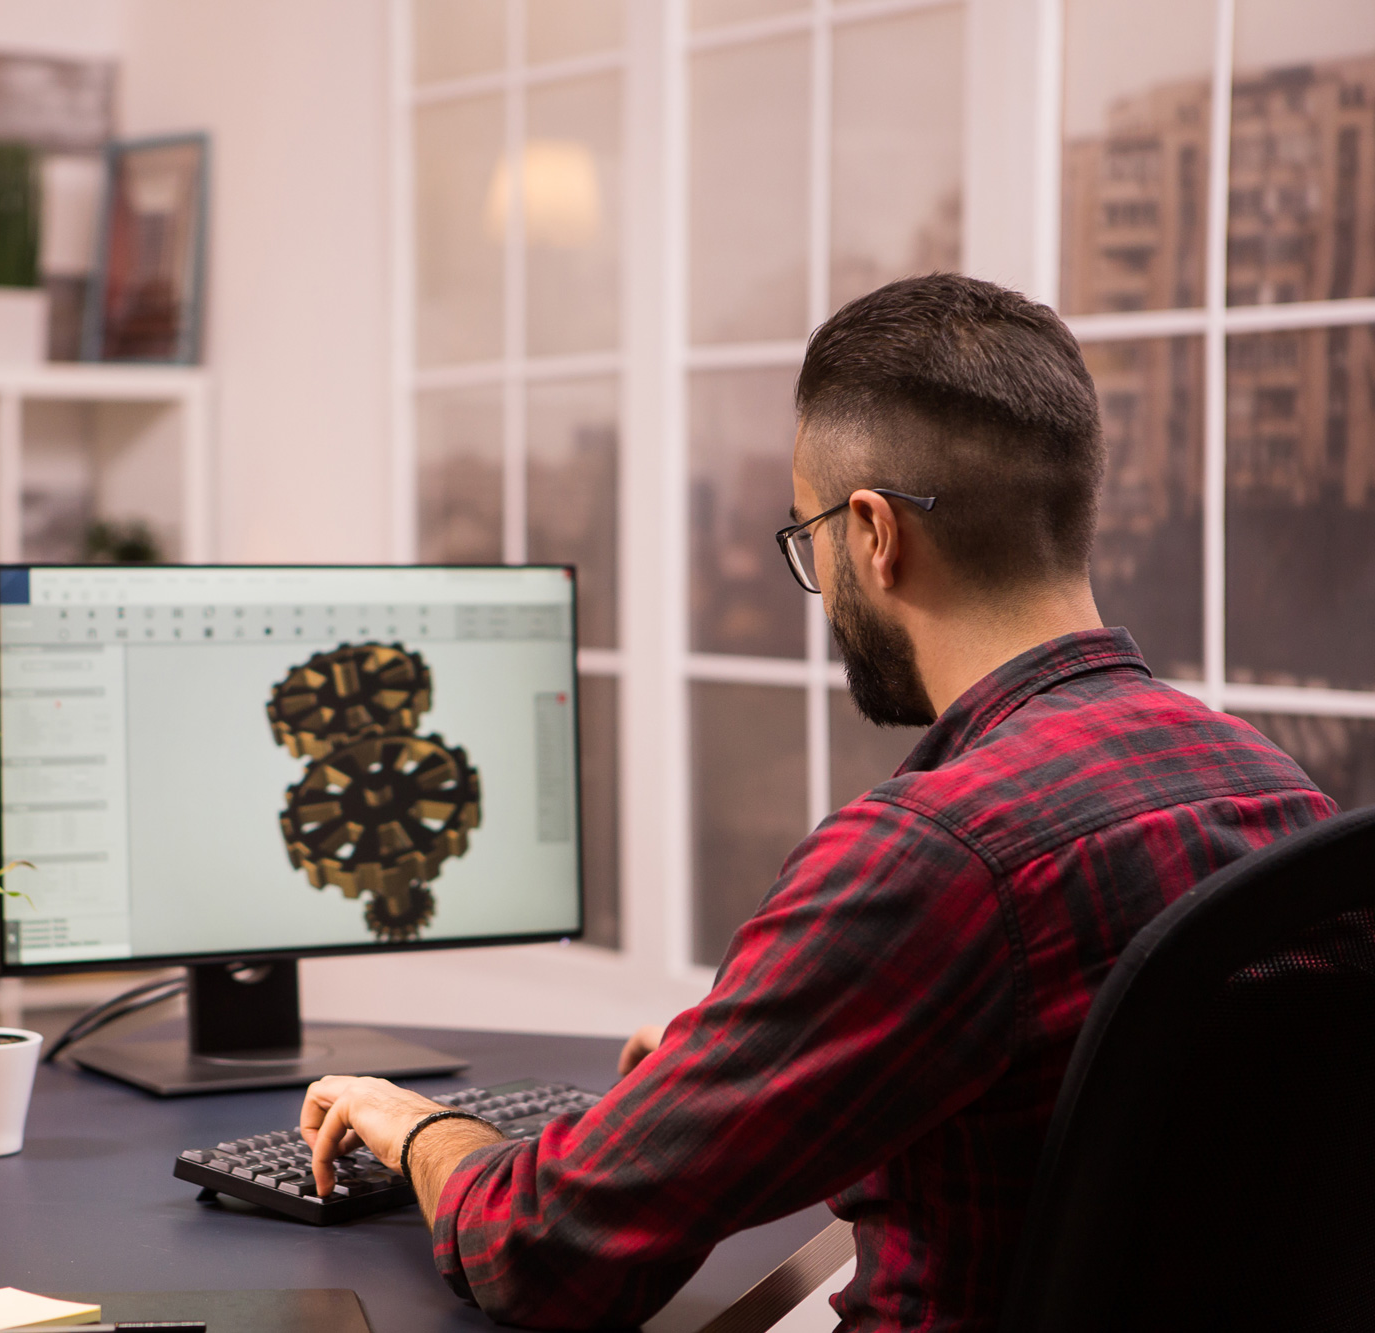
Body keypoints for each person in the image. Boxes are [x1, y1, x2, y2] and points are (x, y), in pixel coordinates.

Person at [299, 274, 1336, 1330]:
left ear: (874, 533)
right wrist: (747, 1069)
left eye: (808, 537)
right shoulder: (1277, 795)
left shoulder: (937, 856)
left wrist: (422, 1132)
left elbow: (541, 1247)